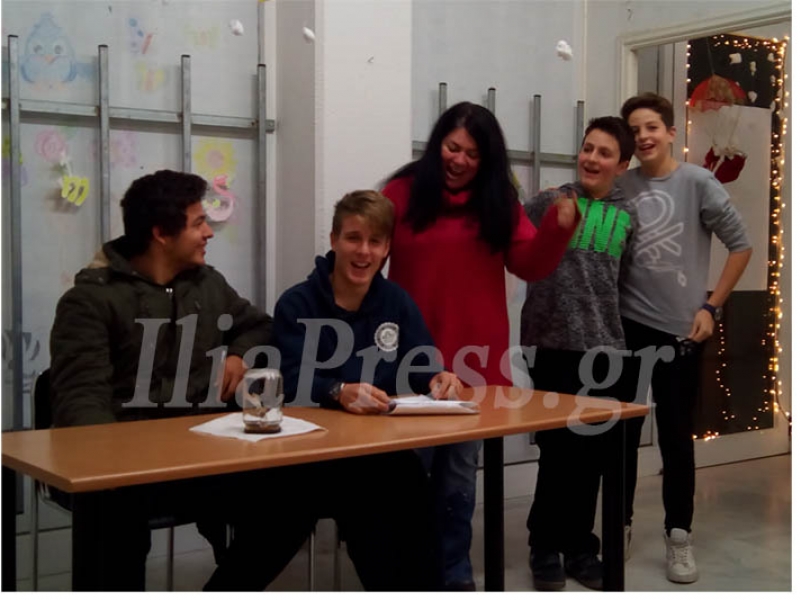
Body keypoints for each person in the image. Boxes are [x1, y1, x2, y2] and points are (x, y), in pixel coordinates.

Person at [50, 169, 281, 590]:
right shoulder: (89, 301)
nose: (208, 232)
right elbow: (82, 401)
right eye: (198, 223)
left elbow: (259, 325)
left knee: (289, 498)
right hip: (125, 468)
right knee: (111, 509)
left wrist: (238, 354)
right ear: (161, 233)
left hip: (201, 456)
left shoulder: (208, 285)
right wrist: (120, 465)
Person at [381, 101, 579, 590]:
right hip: (411, 363)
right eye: (452, 147)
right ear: (437, 144)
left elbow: (530, 264)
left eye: (473, 154)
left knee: (458, 481)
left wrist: (557, 229)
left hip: (474, 368)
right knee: (408, 480)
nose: (460, 160)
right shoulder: (401, 192)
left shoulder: (498, 200)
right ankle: (408, 576)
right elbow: (364, 254)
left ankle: (453, 576)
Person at [270, 189, 463, 591]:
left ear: (387, 248)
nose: (364, 251)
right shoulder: (297, 303)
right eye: (353, 238)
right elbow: (288, 379)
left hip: (380, 451)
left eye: (375, 241)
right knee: (364, 513)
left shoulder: (396, 301)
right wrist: (336, 390)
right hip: (312, 456)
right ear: (334, 240)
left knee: (418, 501)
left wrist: (438, 378)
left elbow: (420, 363)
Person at [619, 92, 752, 584]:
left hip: (680, 331)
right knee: (621, 436)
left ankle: (679, 535)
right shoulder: (621, 185)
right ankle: (619, 524)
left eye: (651, 127)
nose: (643, 136)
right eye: (634, 130)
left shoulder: (699, 182)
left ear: (671, 132)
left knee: (676, 438)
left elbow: (741, 246)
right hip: (625, 328)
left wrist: (711, 306)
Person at [521, 116, 638, 591]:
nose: (591, 158)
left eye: (604, 153)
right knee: (557, 453)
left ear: (622, 165)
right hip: (551, 346)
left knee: (591, 456)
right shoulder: (548, 202)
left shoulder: (628, 216)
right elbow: (513, 245)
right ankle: (543, 545)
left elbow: (626, 282)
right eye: (587, 148)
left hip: (606, 349)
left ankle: (580, 547)